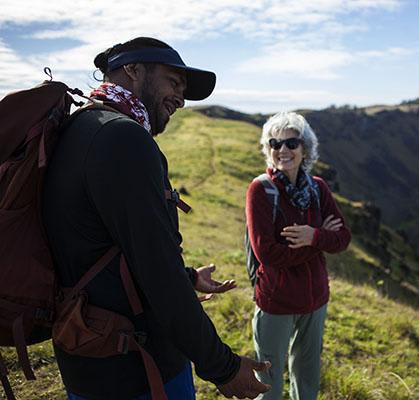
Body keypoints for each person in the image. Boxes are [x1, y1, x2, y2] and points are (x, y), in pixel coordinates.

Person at [42, 37, 270, 399]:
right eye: (173, 82)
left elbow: (104, 244)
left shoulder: (80, 126)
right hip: (140, 368)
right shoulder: (123, 138)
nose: (180, 98)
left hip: (87, 358)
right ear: (132, 70)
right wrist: (223, 368)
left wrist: (189, 277)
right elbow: (156, 270)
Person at [245, 112, 351, 400]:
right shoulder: (261, 190)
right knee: (268, 382)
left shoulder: (318, 188)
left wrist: (312, 235)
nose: (283, 150)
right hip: (276, 301)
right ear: (268, 150)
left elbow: (343, 238)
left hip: (315, 299)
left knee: (307, 380)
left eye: (291, 143)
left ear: (305, 148)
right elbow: (267, 253)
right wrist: (317, 240)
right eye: (275, 144)